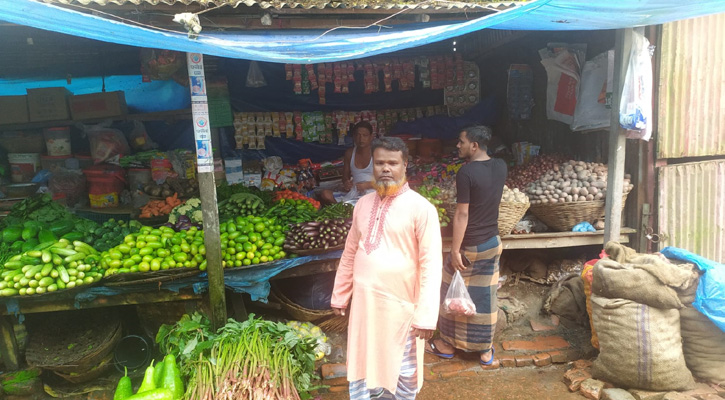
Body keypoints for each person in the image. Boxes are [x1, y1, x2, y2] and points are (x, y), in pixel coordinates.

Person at [331, 137, 443, 400]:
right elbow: (350, 253)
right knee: (362, 360)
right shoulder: (362, 204)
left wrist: (426, 315)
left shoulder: (421, 209)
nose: (385, 169)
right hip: (364, 305)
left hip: (401, 307)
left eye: (393, 163)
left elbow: (431, 264)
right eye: (379, 162)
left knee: (402, 372)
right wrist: (340, 293)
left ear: (405, 165)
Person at [425, 125, 507, 365]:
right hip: (492, 241)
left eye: (461, 142)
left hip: (470, 245)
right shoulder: (501, 166)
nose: (457, 146)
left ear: (474, 145)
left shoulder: (467, 172)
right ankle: (484, 350)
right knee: (485, 297)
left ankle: (447, 344)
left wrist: (454, 250)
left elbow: (462, 214)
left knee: (451, 293)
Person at [319, 121, 375, 205]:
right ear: (353, 137)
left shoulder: (377, 153)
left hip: (373, 193)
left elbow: (387, 181)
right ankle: (345, 208)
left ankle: (349, 208)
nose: (361, 139)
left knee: (363, 204)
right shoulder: (349, 153)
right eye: (357, 135)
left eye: (365, 135)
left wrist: (367, 185)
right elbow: (345, 176)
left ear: (371, 137)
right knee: (325, 194)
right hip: (354, 192)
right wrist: (346, 183)